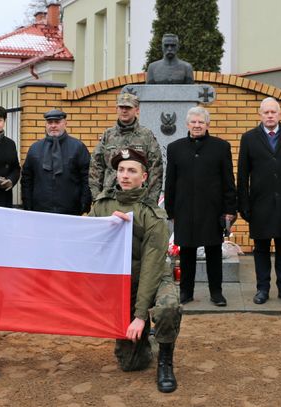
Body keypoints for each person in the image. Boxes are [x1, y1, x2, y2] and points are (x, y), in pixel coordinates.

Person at [89, 148, 181, 393]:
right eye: (121, 170)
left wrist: (141, 315)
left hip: (153, 275)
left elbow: (151, 267)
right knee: (131, 363)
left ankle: (165, 361)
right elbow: (87, 242)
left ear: (144, 176)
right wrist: (107, 226)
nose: (125, 175)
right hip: (123, 279)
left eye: (132, 171)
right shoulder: (102, 206)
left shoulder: (152, 215)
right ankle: (145, 343)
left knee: (167, 307)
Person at [165, 106, 237, 307]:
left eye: (201, 122)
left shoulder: (221, 147)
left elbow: (228, 181)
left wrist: (230, 210)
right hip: (184, 210)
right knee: (186, 253)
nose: (197, 126)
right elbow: (170, 182)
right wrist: (171, 210)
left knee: (214, 253)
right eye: (193, 122)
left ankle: (216, 293)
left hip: (213, 210)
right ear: (187, 124)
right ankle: (186, 292)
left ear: (208, 125)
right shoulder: (175, 148)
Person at [237, 97, 281, 305]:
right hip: (260, 205)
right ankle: (262, 289)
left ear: (280, 114)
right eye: (266, 112)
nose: (270, 115)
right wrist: (244, 205)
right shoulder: (248, 138)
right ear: (260, 115)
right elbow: (243, 175)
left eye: (273, 112)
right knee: (261, 249)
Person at [89, 93, 163, 205]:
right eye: (121, 107)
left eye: (128, 107)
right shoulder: (108, 135)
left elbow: (155, 170)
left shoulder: (146, 136)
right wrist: (97, 198)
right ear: (116, 109)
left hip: (138, 200)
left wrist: (150, 202)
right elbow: (96, 168)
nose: (124, 111)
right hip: (109, 198)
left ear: (136, 110)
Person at [21, 109, 91, 215]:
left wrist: (85, 204)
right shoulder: (35, 148)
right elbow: (27, 179)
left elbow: (87, 177)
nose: (53, 126)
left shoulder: (78, 147)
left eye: (57, 122)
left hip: (71, 210)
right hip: (40, 210)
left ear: (65, 124)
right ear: (46, 124)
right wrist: (27, 204)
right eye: (50, 122)